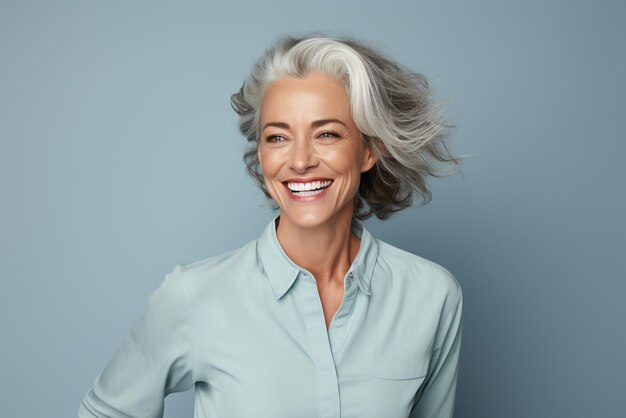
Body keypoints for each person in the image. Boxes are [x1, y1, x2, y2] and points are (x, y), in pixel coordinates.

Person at [78, 32, 464, 418]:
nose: (299, 161)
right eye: (277, 137)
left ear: (368, 150)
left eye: (326, 134)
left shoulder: (431, 296)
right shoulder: (194, 297)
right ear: (261, 155)